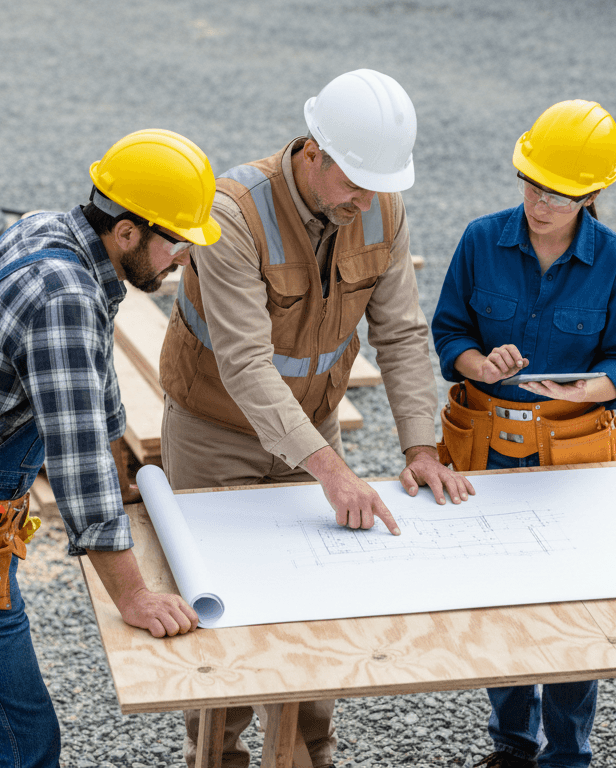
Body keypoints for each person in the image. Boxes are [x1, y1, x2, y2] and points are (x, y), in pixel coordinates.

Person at [0, 129, 218, 768]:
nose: (183, 259)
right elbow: (78, 467)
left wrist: (133, 480)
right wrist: (134, 597)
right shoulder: (64, 295)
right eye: (177, 242)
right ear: (127, 231)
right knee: (17, 742)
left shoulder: (49, 232)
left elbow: (90, 388)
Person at [158, 68, 475, 768]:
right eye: (354, 181)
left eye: (376, 185)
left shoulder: (381, 207)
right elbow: (246, 366)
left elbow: (401, 334)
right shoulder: (234, 214)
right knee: (221, 614)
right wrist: (332, 471)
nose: (364, 200)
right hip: (216, 431)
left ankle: (309, 756)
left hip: (314, 423)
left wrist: (421, 448)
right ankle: (218, 758)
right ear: (313, 151)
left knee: (314, 603)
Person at [430, 101, 616, 768]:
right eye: (531, 184)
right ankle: (513, 745)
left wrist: (589, 388)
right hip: (486, 450)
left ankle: (567, 756)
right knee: (500, 601)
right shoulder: (480, 241)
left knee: (571, 605)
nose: (539, 203)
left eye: (557, 193)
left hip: (572, 455)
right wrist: (478, 364)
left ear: (592, 193)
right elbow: (449, 333)